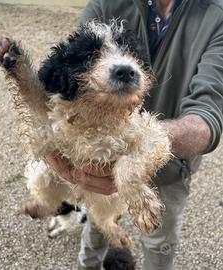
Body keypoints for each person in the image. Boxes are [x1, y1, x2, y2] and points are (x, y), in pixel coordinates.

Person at [45, 0, 223, 269]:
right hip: (96, 159)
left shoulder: (217, 16)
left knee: (158, 242)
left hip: (169, 168)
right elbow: (71, 73)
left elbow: (208, 114)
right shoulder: (106, 4)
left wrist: (142, 146)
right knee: (96, 227)